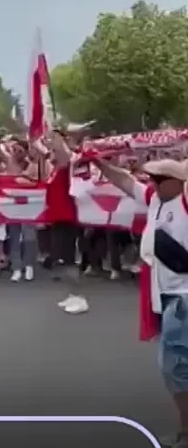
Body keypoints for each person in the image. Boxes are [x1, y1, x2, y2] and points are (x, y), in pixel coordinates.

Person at [91, 156, 188, 448]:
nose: (153, 184)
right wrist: (100, 164)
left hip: (184, 296)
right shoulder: (154, 199)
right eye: (152, 179)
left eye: (160, 179)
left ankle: (186, 433)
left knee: (174, 365)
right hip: (166, 293)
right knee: (177, 365)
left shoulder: (184, 201)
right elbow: (124, 180)